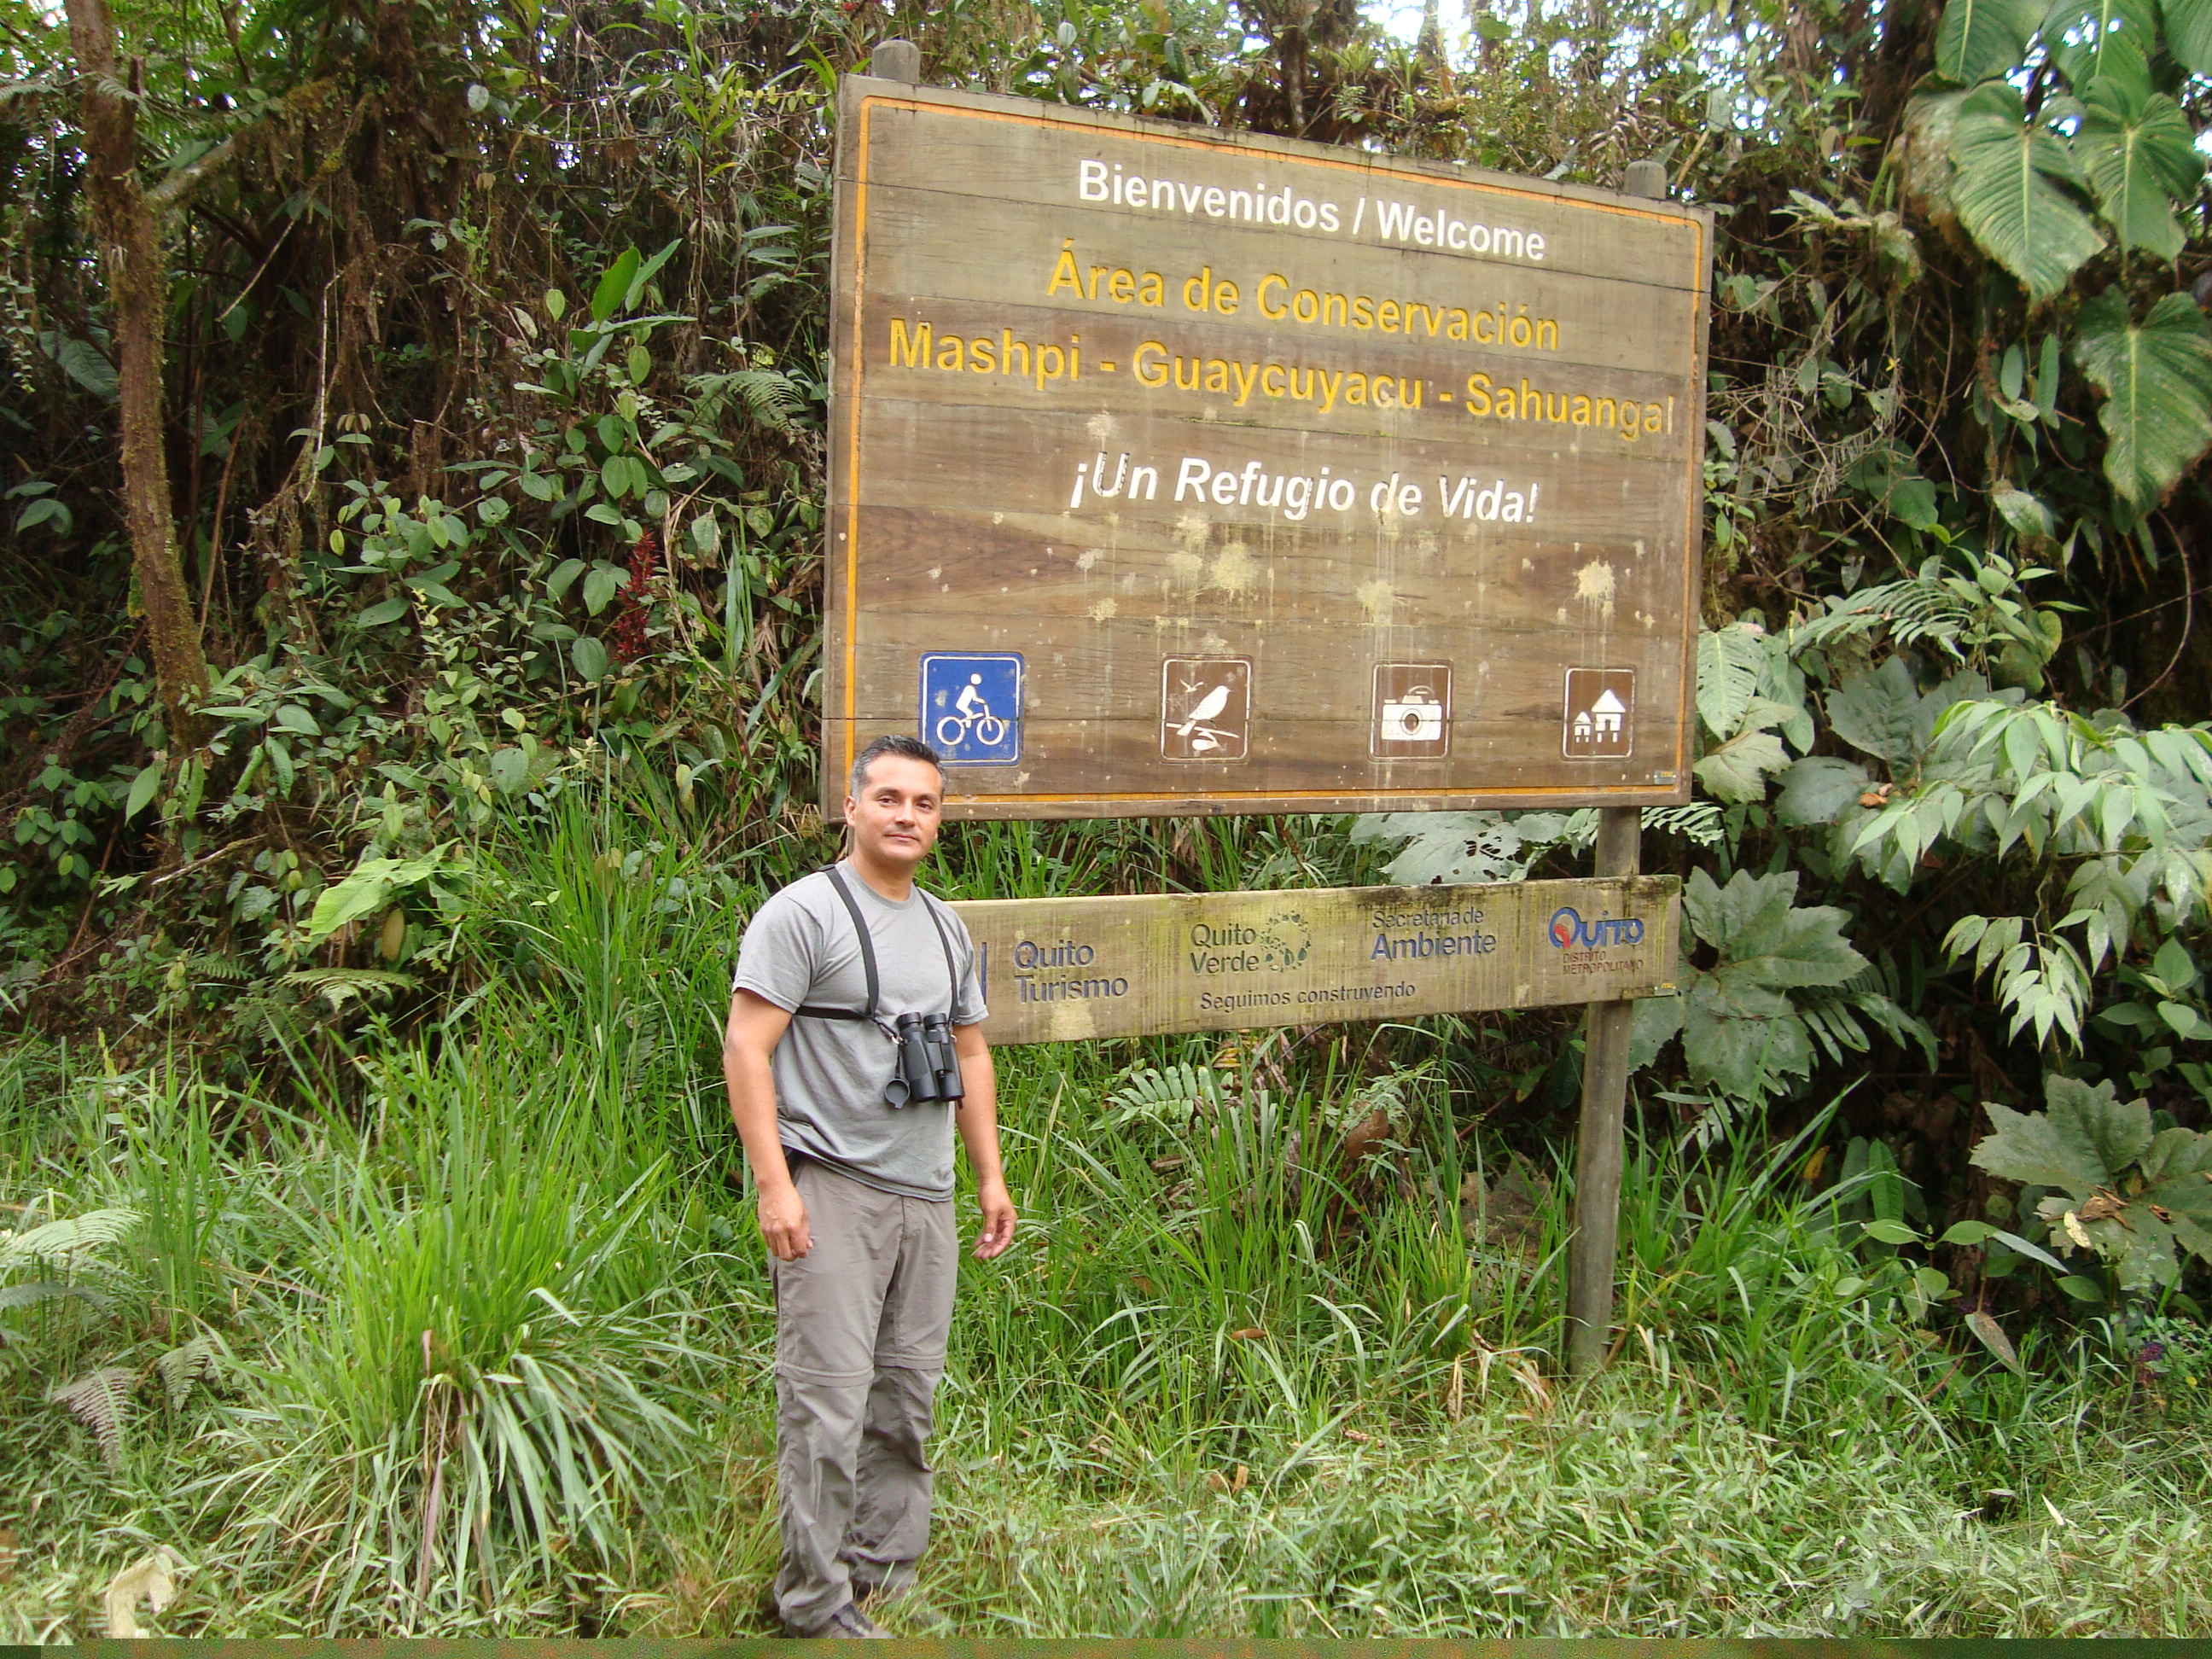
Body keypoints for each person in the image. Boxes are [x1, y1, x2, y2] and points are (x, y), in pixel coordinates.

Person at [723, 732, 1017, 1639]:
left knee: (905, 1396)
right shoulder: (802, 915)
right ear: (849, 808)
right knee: (827, 1400)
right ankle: (812, 1603)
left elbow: (969, 1050)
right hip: (835, 1187)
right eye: (888, 799)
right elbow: (745, 1047)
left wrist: (989, 1177)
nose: (907, 817)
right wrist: (777, 1187)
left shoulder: (945, 925)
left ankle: (882, 1573)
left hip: (925, 1196)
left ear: (939, 819)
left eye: (924, 804)